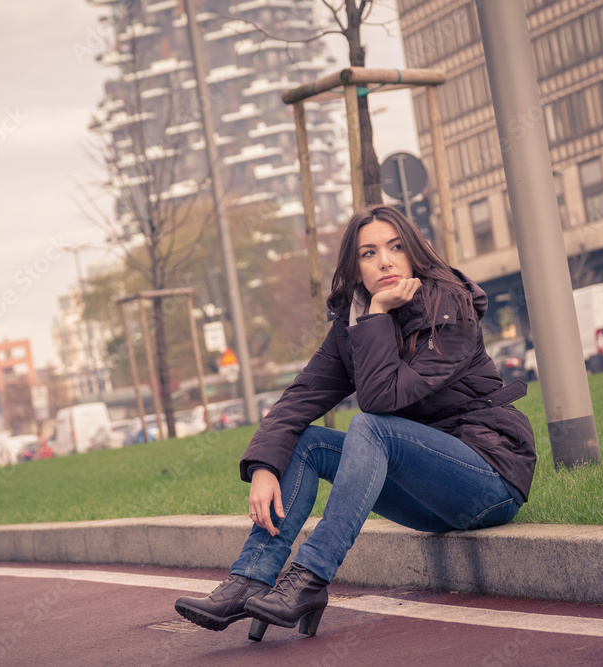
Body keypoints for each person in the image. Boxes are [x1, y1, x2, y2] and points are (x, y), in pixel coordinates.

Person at [174, 204, 536, 641]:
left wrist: (378, 314)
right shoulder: (353, 324)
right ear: (354, 267)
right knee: (306, 442)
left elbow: (382, 399)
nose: (384, 260)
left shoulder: (449, 311)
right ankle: (250, 578)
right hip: (428, 496)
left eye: (395, 247)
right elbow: (301, 397)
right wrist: (264, 467)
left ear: (414, 253)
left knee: (370, 425)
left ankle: (310, 578)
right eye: (368, 253)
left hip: (489, 480)